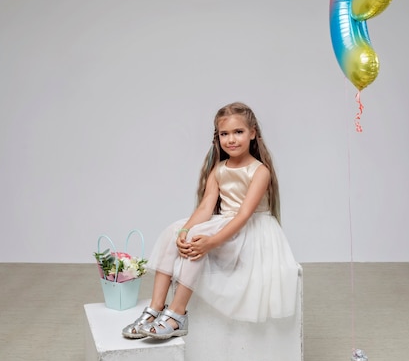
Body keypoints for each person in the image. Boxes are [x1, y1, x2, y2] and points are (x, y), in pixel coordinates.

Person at [122, 101, 300, 340]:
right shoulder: (218, 168)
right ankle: (155, 308)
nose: (231, 139)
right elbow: (207, 205)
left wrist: (211, 242)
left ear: (253, 133)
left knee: (198, 244)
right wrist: (185, 229)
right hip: (225, 222)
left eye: (238, 132)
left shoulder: (260, 171)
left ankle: (177, 314)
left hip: (250, 229)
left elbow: (244, 214)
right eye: (224, 134)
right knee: (172, 232)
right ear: (218, 137)